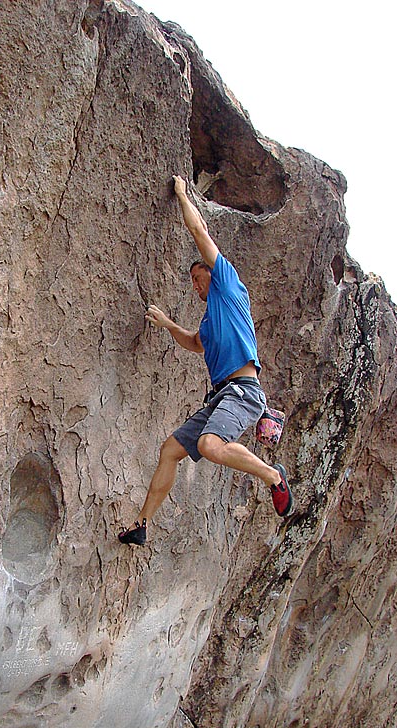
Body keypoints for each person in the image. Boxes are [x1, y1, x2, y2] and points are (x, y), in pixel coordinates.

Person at [119, 175, 293, 546]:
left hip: (244, 392)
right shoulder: (210, 323)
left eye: (201, 278)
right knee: (171, 450)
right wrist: (167, 323)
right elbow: (194, 343)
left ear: (216, 276)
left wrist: (182, 195)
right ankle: (142, 524)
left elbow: (199, 231)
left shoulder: (230, 289)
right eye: (194, 283)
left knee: (210, 446)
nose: (197, 286)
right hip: (221, 397)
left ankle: (274, 477)